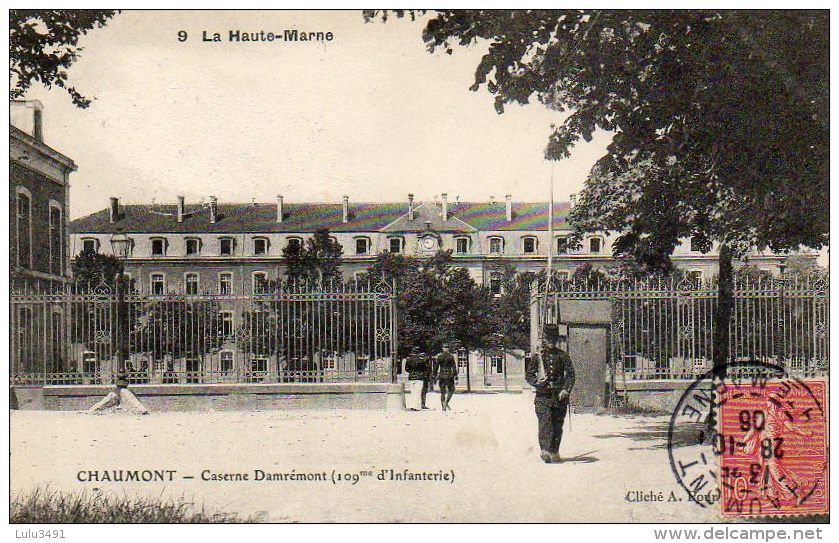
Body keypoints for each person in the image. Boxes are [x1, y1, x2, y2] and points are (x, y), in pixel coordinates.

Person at [525, 324, 575, 463]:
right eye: (549, 339)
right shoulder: (538, 357)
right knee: (545, 423)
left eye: (554, 339)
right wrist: (537, 382)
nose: (551, 342)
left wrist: (566, 389)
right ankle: (545, 450)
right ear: (544, 340)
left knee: (557, 425)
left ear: (557, 340)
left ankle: (554, 450)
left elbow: (571, 374)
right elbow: (529, 375)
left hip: (559, 396)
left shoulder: (562, 355)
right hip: (543, 396)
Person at [435, 342, 458, 411]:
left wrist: (434, 375)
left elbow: (436, 367)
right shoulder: (451, 356)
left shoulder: (439, 356)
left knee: (442, 391)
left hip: (442, 374)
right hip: (449, 375)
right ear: (448, 349)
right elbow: (454, 367)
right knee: (451, 389)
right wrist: (456, 376)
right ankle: (446, 402)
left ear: (442, 349)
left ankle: (443, 405)